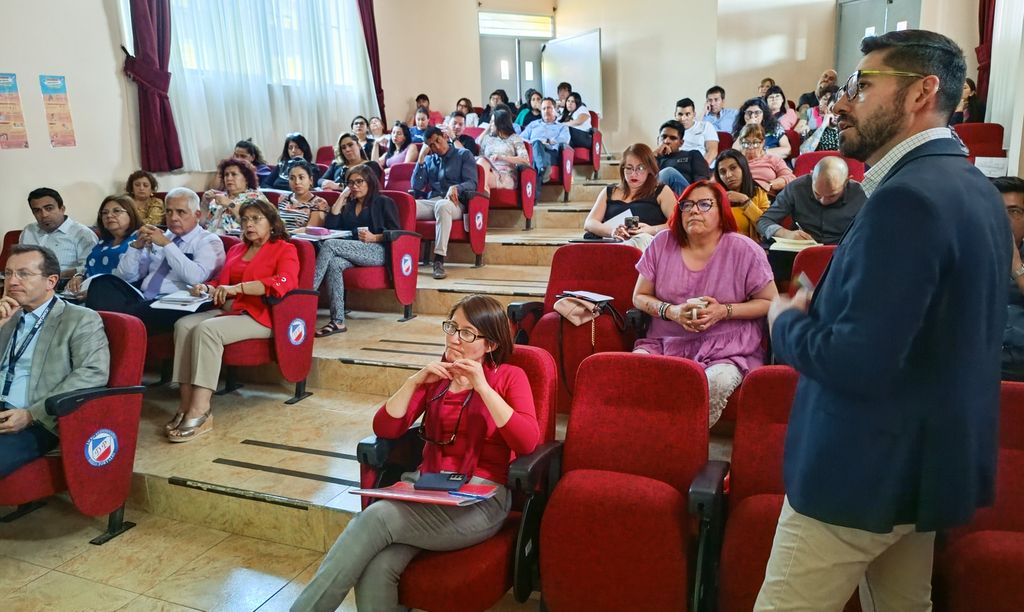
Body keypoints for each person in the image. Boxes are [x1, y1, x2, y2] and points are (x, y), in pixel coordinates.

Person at [758, 30, 1009, 610]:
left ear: (923, 92)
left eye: (863, 86)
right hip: (918, 472)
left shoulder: (907, 199)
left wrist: (786, 322)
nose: (842, 102)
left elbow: (857, 361)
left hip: (859, 472)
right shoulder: (973, 187)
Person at [292, 294, 538, 611]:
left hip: (481, 501)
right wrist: (414, 381)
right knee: (379, 565)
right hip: (427, 489)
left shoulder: (509, 377)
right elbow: (386, 428)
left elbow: (527, 441)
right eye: (452, 327)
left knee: (377, 517)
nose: (454, 338)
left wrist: (483, 387)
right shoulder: (437, 379)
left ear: (489, 344)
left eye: (467, 333)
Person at [631, 181, 777, 426]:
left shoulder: (745, 249)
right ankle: (645, 438)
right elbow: (639, 296)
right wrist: (672, 311)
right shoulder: (662, 243)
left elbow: (770, 301)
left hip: (728, 349)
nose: (694, 210)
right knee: (636, 372)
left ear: (722, 212)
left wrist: (724, 311)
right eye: (687, 205)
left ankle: (682, 443)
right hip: (666, 341)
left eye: (704, 204)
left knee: (713, 383)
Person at [168, 198, 299, 442]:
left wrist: (239, 288)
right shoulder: (237, 249)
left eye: (256, 219)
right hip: (230, 310)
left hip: (261, 315)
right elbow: (221, 283)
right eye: (246, 219)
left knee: (207, 330)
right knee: (183, 325)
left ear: (271, 223)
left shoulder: (284, 248)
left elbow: (284, 282)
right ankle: (184, 405)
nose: (249, 224)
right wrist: (206, 287)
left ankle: (201, 410)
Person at [0, 245, 110, 477]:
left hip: (36, 420)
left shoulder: (80, 319)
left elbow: (93, 373)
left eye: (24, 274)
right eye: (8, 273)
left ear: (50, 281)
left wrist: (32, 414)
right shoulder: (6, 314)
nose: (12, 281)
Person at [86, 188, 226, 334]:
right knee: (102, 283)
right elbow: (127, 277)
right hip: (145, 298)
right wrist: (136, 247)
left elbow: (195, 277)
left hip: (179, 302)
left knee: (123, 313)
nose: (173, 218)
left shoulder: (208, 241)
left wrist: (167, 245)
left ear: (197, 215)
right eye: (169, 212)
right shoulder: (162, 235)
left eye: (181, 212)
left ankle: (109, 333)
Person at [314, 165, 402, 337]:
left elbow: (397, 233)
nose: (355, 186)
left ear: (369, 182)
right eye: (350, 183)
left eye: (359, 181)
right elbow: (331, 226)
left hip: (377, 251)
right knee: (334, 263)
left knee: (330, 245)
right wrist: (341, 196)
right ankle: (338, 321)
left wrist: (375, 237)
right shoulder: (349, 205)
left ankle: (308, 292)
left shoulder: (384, 202)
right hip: (353, 250)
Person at [412, 126, 479, 280]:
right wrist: (421, 159)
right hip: (434, 201)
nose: (436, 146)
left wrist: (457, 187)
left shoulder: (463, 154)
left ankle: (439, 260)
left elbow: (472, 183)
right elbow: (416, 185)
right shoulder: (430, 160)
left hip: (455, 203)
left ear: (444, 136)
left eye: (438, 141)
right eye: (431, 145)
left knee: (442, 206)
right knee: (410, 206)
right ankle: (403, 254)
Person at [583, 143, 675, 251]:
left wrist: (650, 230)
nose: (633, 174)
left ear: (649, 169)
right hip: (614, 242)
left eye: (640, 168)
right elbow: (590, 223)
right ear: (623, 169)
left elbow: (677, 224)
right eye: (629, 168)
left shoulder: (661, 191)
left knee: (639, 240)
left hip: (647, 244)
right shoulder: (610, 191)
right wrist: (612, 231)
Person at [757, 156, 866, 244]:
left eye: (832, 196)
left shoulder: (861, 194)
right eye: (817, 194)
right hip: (801, 251)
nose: (823, 201)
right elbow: (763, 221)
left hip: (843, 252)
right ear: (812, 175)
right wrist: (785, 233)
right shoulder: (796, 188)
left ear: (846, 182)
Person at [66, 195, 144, 295]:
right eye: (105, 213)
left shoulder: (140, 239)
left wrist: (96, 292)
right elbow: (88, 269)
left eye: (116, 211)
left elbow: (135, 276)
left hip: (121, 296)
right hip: (87, 293)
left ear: (131, 214)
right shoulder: (103, 242)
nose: (109, 216)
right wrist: (79, 276)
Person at [20, 187, 98, 282]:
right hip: (28, 285)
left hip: (63, 287)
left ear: (62, 209)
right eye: (37, 211)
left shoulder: (83, 234)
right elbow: (20, 262)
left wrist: (57, 275)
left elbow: (89, 268)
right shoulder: (29, 231)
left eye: (49, 208)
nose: (44, 215)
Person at [713, 149, 772, 240]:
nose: (728, 175)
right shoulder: (714, 198)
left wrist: (745, 201)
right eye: (723, 172)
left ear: (743, 168)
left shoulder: (758, 193)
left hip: (752, 248)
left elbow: (767, 227)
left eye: (733, 168)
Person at [998, 176, 1024, 379]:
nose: (1004, 220)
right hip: (975, 367)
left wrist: (1016, 265)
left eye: (1014, 212)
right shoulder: (965, 253)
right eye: (997, 211)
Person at [521, 98, 570, 195]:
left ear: (555, 109)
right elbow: (521, 138)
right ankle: (543, 168)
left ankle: (531, 198)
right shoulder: (533, 125)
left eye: (549, 108)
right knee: (537, 146)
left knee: (535, 161)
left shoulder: (562, 127)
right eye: (543, 109)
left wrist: (548, 141)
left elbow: (564, 140)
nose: (546, 111)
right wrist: (534, 142)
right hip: (534, 151)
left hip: (551, 153)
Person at [202, 158, 261, 234]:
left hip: (237, 240)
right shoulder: (220, 197)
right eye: (226, 175)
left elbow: (251, 221)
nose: (229, 178)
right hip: (210, 238)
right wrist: (205, 204)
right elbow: (201, 223)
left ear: (246, 179)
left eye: (234, 174)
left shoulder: (255, 197)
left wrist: (229, 204)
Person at [654, 119, 711, 196]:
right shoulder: (653, 159)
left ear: (681, 143)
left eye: (673, 138)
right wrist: (653, 156)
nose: (667, 141)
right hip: (661, 197)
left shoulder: (692, 155)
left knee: (668, 173)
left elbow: (702, 183)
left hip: (686, 197)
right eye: (663, 137)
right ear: (658, 140)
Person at [736, 124, 795, 196]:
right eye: (746, 143)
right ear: (740, 143)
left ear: (763, 143)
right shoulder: (735, 161)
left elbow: (790, 178)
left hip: (768, 199)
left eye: (755, 143)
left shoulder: (773, 160)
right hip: (741, 198)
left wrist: (769, 184)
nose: (751, 147)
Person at [477, 109, 529, 191]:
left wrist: (502, 157)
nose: (490, 124)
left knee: (479, 179)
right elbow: (481, 157)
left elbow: (525, 160)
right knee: (481, 162)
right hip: (489, 171)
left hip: (506, 175)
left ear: (500, 123)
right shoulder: (487, 139)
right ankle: (484, 191)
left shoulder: (514, 138)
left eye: (493, 122)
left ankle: (483, 193)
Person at [278, 161, 328, 231]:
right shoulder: (283, 198)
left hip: (300, 240)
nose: (297, 182)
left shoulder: (319, 203)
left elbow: (311, 230)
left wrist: (287, 234)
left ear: (310, 180)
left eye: (301, 177)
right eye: (292, 178)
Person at [675, 97, 720, 165]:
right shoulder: (671, 130)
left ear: (694, 114)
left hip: (703, 167)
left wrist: (700, 169)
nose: (683, 118)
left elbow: (712, 152)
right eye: (680, 114)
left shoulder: (705, 126)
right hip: (680, 166)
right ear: (675, 115)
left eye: (687, 114)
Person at [798, 86, 841, 154]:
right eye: (832, 109)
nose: (836, 114)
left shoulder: (847, 131)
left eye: (839, 111)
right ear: (826, 110)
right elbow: (803, 153)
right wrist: (823, 125)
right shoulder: (815, 131)